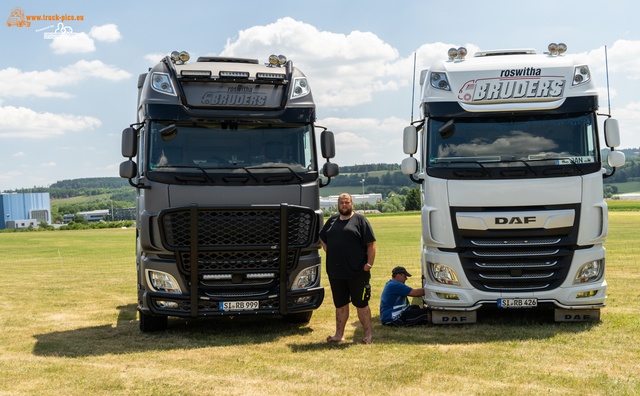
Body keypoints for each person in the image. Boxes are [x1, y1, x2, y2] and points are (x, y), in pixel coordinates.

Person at [320, 193, 376, 344]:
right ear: (338, 204)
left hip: (357, 272)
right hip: (335, 273)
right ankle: (339, 335)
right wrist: (328, 250)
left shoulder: (360, 220)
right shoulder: (332, 220)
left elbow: (371, 244)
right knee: (340, 305)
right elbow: (322, 236)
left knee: (362, 304)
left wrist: (368, 265)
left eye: (347, 202)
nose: (344, 205)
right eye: (341, 203)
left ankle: (368, 335)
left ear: (352, 203)